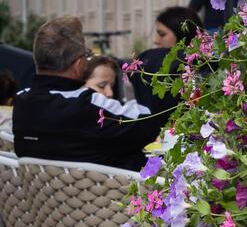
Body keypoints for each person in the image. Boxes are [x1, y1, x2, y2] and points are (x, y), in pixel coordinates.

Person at [12, 17, 166, 172]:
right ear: (79, 65)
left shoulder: (21, 100)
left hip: (43, 192)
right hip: (103, 193)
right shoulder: (88, 103)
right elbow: (148, 122)